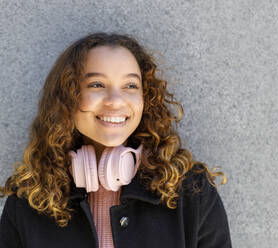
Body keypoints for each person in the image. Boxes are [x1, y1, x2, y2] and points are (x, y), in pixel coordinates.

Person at [0, 32, 232, 248]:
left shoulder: (193, 192)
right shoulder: (27, 199)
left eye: (130, 85)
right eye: (97, 85)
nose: (115, 100)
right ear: (68, 97)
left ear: (145, 98)